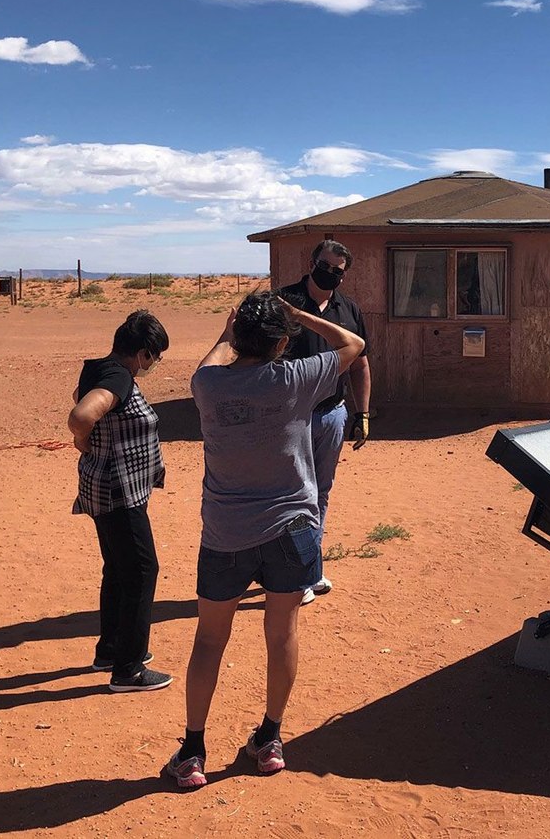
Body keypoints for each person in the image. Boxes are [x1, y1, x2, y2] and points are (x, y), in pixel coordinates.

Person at [163, 291, 365, 788]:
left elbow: (212, 361)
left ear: (239, 339)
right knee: (283, 633)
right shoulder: (295, 378)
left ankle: (192, 752)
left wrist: (224, 335)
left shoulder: (207, 385)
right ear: (281, 343)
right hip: (293, 529)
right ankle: (270, 738)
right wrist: (299, 316)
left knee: (210, 640)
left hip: (226, 533)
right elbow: (354, 344)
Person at [68, 309, 173, 693]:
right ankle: (128, 669)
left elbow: (80, 396)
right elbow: (82, 413)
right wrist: (83, 440)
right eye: (155, 357)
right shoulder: (117, 376)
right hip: (118, 490)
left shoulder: (99, 368)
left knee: (118, 568)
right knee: (143, 570)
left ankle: (111, 650)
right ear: (142, 353)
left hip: (104, 487)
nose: (154, 364)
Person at [277, 239, 371, 604]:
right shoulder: (284, 303)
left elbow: (361, 363)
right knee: (291, 493)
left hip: (332, 414)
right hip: (289, 417)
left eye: (338, 271)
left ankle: (309, 570)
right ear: (311, 261)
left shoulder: (349, 310)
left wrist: (361, 413)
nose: (330, 274)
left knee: (321, 492)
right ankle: (288, 575)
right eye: (325, 266)